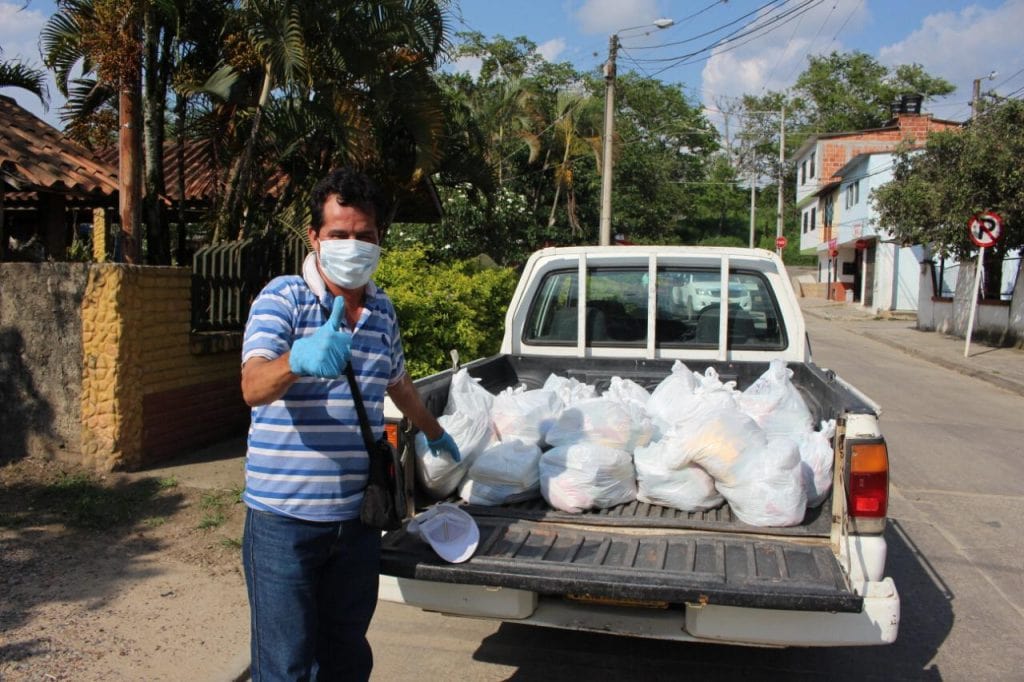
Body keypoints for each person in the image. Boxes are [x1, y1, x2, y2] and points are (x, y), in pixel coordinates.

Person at [239, 167, 461, 681]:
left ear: (380, 239)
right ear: (315, 237)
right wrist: (296, 359)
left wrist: (434, 433)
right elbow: (252, 386)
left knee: (346, 656)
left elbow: (398, 383)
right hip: (283, 522)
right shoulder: (284, 298)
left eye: (365, 236)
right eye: (339, 234)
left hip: (356, 520)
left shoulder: (382, 310)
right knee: (286, 664)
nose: (352, 245)